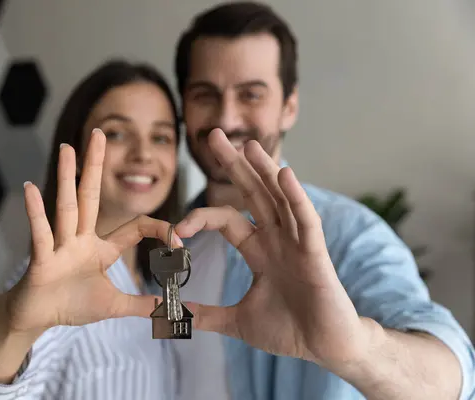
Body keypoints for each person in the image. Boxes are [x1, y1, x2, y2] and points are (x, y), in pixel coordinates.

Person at [167, 2, 475, 400]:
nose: (227, 119)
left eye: (251, 94)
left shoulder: (347, 234)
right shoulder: (169, 241)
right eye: (205, 94)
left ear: (289, 107)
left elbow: (450, 373)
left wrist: (357, 353)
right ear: (184, 108)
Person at [0, 60, 185, 399]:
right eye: (116, 133)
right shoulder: (51, 284)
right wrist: (13, 333)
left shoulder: (157, 282)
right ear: (75, 151)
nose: (144, 154)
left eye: (161, 137)